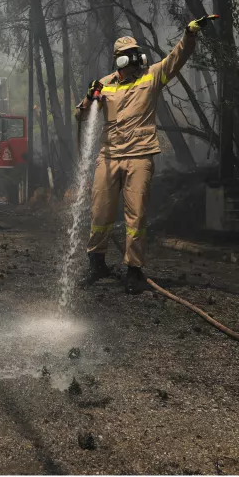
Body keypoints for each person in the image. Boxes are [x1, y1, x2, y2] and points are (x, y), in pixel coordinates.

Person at [76, 17, 205, 294]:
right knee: (100, 211)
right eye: (127, 57)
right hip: (108, 156)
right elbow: (81, 116)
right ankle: (96, 263)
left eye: (135, 55)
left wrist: (189, 35)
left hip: (140, 155)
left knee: (136, 216)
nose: (133, 61)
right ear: (118, 60)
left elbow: (176, 58)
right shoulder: (103, 84)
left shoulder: (152, 76)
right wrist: (89, 98)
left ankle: (133, 270)